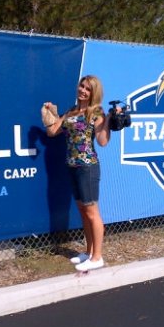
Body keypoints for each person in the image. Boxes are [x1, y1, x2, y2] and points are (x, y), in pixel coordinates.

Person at [42, 75, 111, 271]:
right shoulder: (71, 111)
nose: (83, 91)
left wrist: (108, 121)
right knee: (83, 211)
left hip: (87, 167)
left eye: (88, 89)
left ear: (93, 93)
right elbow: (52, 132)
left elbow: (102, 141)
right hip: (72, 166)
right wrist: (51, 114)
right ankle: (88, 253)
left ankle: (97, 257)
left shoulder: (95, 112)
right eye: (82, 86)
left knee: (92, 212)